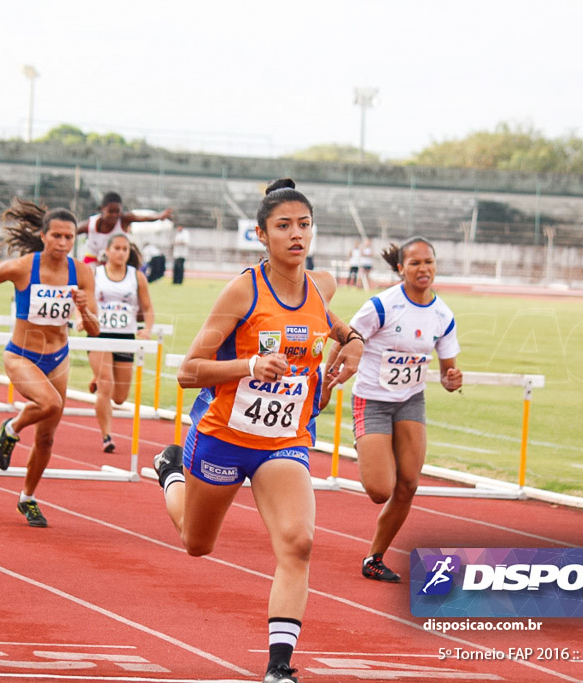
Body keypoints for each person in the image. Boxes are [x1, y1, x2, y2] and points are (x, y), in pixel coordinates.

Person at [151, 179, 363, 683]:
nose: (296, 235)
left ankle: (279, 667)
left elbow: (331, 324)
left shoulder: (322, 286)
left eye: (304, 225)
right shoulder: (244, 289)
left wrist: (351, 342)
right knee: (196, 543)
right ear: (262, 235)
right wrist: (248, 367)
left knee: (299, 542)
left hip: (283, 442)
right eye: (283, 226)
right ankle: (171, 473)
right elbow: (187, 372)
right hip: (223, 435)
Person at [0, 199, 99, 528]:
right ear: (44, 236)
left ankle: (27, 498)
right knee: (51, 403)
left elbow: (94, 329)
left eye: (69, 238)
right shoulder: (23, 267)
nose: (63, 243)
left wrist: (85, 308)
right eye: (57, 236)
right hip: (21, 354)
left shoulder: (82, 273)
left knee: (47, 438)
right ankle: (12, 427)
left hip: (58, 357)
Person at [346, 238, 462, 583]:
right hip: (372, 398)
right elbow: (347, 339)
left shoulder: (443, 315)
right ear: (401, 268)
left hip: (410, 399)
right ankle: (368, 446)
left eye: (428, 262)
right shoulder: (382, 306)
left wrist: (452, 379)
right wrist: (329, 379)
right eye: (414, 263)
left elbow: (447, 372)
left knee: (409, 484)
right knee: (380, 490)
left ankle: (375, 558)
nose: (423, 269)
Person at [87, 234, 154, 453]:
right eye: (117, 248)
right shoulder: (95, 274)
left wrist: (147, 328)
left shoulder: (136, 277)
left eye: (125, 249)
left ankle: (99, 377)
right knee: (106, 386)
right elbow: (84, 300)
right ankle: (106, 436)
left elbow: (148, 307)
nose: (121, 253)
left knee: (119, 397)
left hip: (125, 338)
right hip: (99, 335)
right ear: (107, 251)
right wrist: (82, 318)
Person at [75, 191, 171, 265]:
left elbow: (141, 217)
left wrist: (158, 216)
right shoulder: (90, 224)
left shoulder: (124, 220)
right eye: (111, 211)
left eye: (117, 211)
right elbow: (72, 231)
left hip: (114, 262)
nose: (114, 215)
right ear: (102, 209)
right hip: (92, 260)